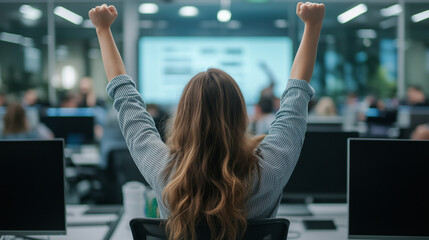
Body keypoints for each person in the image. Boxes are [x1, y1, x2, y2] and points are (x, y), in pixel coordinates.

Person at [89, 2, 323, 239]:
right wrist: (313, 26)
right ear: (241, 117)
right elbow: (297, 96)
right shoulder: (268, 169)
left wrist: (103, 30)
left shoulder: (163, 170)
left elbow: (125, 99)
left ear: (182, 118)